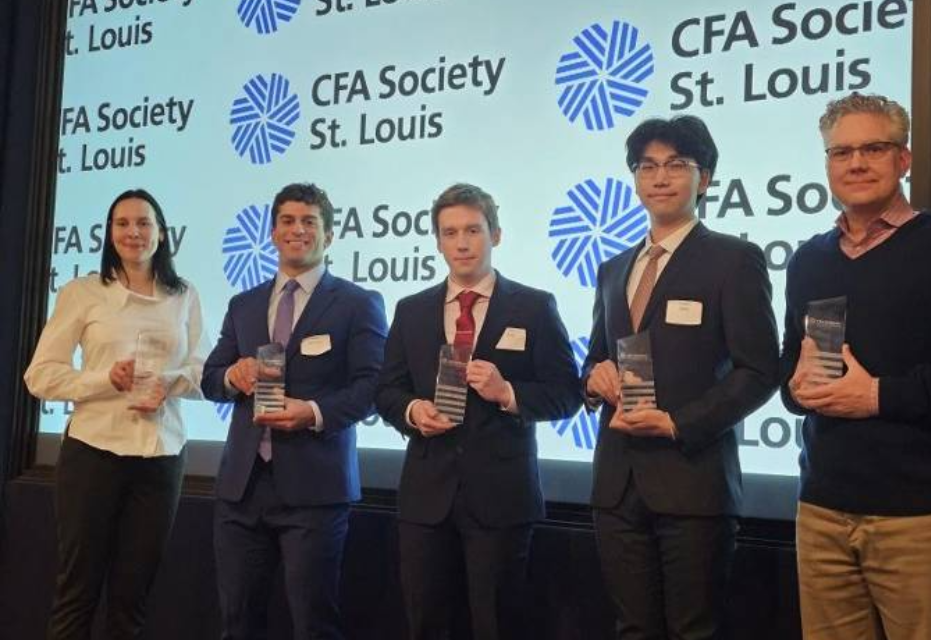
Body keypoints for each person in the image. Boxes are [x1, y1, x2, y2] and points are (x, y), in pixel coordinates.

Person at [583, 115, 779, 639]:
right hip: (617, 484)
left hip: (694, 481)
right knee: (632, 629)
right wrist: (593, 379)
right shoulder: (613, 269)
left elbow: (760, 370)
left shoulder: (734, 260)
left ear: (705, 179)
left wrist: (678, 423)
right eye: (647, 166)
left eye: (676, 165)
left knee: (695, 631)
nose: (660, 177)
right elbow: (596, 357)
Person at [782, 92, 931, 640]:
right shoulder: (809, 258)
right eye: (841, 153)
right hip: (821, 510)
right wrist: (794, 387)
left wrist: (879, 396)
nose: (856, 163)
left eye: (874, 148)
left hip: (921, 518)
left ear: (903, 159)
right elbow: (792, 371)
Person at [375, 183, 581, 640]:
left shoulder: (533, 306)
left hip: (501, 498)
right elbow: (386, 389)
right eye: (450, 233)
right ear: (438, 242)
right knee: (427, 624)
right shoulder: (411, 311)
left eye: (473, 230)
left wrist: (508, 392)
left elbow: (568, 393)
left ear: (497, 235)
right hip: (426, 498)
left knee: (497, 625)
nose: (462, 242)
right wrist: (412, 411)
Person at [201, 182, 387, 639]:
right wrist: (233, 376)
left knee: (313, 626)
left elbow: (372, 387)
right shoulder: (244, 304)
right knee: (236, 623)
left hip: (316, 491)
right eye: (287, 220)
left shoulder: (358, 303)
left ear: (330, 235)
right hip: (242, 489)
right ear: (273, 232)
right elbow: (211, 378)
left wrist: (312, 411)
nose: (297, 230)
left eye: (309, 221)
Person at [24, 189, 209, 640]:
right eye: (122, 223)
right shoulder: (84, 292)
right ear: (109, 234)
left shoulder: (183, 294)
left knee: (133, 601)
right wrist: (105, 379)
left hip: (161, 458)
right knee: (77, 594)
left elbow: (205, 371)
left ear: (161, 234)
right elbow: (40, 376)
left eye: (144, 223)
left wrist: (170, 382)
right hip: (92, 455)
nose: (133, 232)